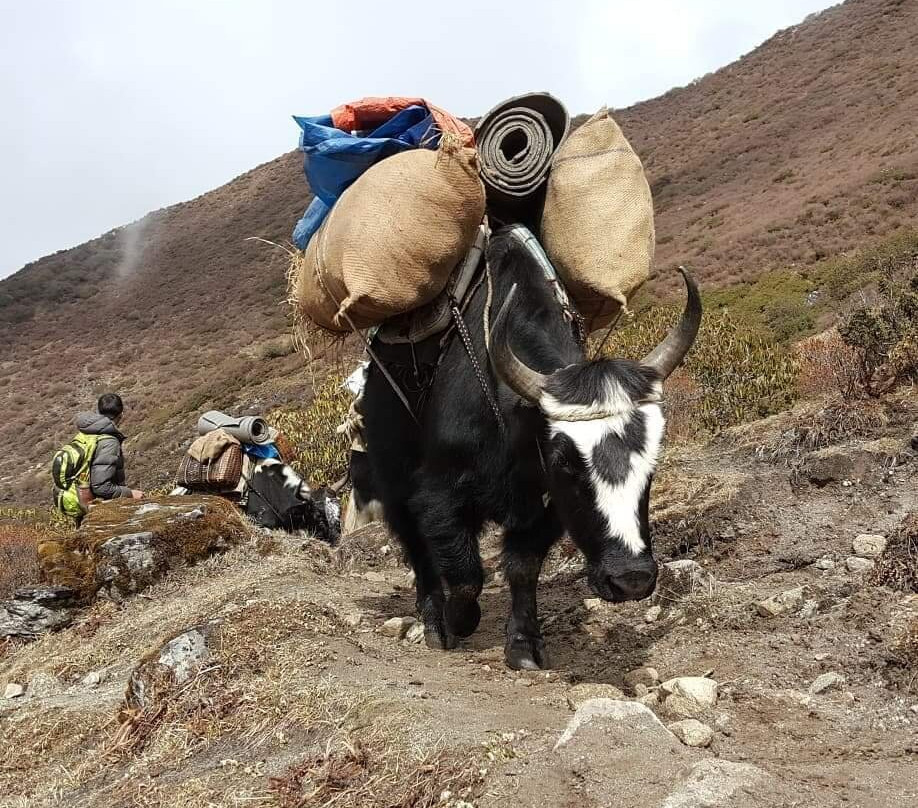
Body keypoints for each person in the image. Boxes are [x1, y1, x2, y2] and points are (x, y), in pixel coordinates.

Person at [75, 393, 144, 502]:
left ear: (98, 411)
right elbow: (101, 487)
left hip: (76, 496)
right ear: (121, 414)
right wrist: (130, 494)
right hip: (93, 503)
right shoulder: (109, 442)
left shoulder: (86, 432)